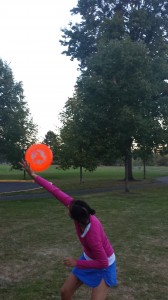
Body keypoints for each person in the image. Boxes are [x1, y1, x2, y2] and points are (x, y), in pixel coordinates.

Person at [19, 160, 117, 300]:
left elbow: (103, 262)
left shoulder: (92, 236)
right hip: (89, 258)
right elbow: (55, 191)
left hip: (104, 264)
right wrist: (33, 175)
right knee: (65, 292)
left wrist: (77, 262)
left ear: (75, 217)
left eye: (69, 209)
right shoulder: (81, 212)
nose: (67, 206)